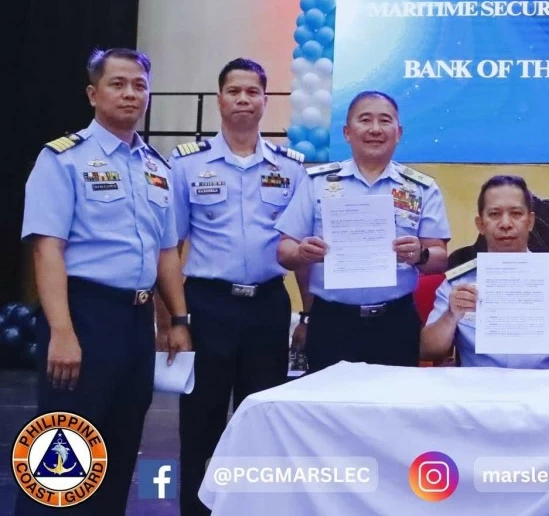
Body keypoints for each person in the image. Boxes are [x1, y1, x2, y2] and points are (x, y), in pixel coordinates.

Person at [19, 49, 190, 514]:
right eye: (118, 84)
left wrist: (175, 319)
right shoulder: (63, 158)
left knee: (118, 445)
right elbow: (46, 247)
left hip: (136, 322)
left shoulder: (157, 166)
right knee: (62, 451)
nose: (130, 93)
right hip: (84, 314)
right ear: (94, 94)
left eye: (139, 85)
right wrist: (62, 330)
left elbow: (166, 254)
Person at [165, 59, 308, 516]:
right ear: (220, 99)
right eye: (234, 91)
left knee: (262, 423)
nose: (243, 99)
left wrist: (307, 313)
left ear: (266, 101)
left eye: (252, 92)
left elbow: (301, 249)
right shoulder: (187, 165)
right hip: (207, 307)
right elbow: (169, 247)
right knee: (201, 423)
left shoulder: (292, 169)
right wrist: (175, 319)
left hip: (267, 306)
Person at [276, 91, 450, 371]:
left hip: (396, 322)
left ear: (399, 132)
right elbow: (284, 251)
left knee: (392, 408)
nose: (375, 129)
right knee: (330, 408)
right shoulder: (316, 183)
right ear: (347, 132)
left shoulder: (420, 188)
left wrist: (420, 254)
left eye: (385, 120)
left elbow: (441, 258)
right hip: (331, 322)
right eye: (365, 120)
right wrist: (302, 252)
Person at [421, 175, 549, 368]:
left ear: (530, 221)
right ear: (480, 224)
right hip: (478, 389)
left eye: (516, 213)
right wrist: (451, 315)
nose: (505, 223)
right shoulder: (459, 282)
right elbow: (428, 350)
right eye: (494, 214)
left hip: (542, 387)